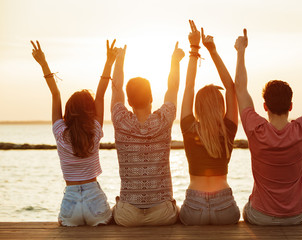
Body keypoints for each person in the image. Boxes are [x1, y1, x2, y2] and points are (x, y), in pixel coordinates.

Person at [234, 29, 302, 225]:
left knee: (246, 208)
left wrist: (240, 51)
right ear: (291, 106)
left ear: (265, 106)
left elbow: (240, 88)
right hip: (295, 217)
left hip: (260, 217)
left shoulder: (256, 129)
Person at [31, 39, 118, 226]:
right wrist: (109, 62)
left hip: (70, 202)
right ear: (90, 111)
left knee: (63, 223)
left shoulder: (60, 132)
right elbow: (101, 95)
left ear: (68, 110)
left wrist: (43, 63)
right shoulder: (94, 129)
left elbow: (55, 94)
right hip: (95, 200)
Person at [111, 41, 185, 227]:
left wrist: (119, 61)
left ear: (129, 100)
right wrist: (174, 61)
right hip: (162, 214)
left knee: (113, 210)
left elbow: (116, 88)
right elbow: (173, 87)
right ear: (151, 98)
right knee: (178, 210)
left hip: (128, 215)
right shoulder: (164, 119)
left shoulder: (121, 120)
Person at [179, 20, 240, 225]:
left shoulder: (188, 127)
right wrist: (212, 50)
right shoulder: (229, 129)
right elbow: (231, 88)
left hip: (194, 207)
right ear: (220, 106)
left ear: (198, 106)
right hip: (225, 207)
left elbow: (189, 86)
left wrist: (194, 48)